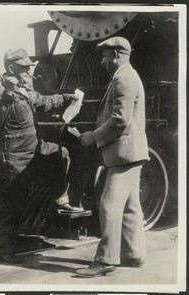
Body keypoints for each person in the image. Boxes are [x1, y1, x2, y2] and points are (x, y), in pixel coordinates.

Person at [0, 48, 83, 264]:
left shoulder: (23, 89)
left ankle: (60, 199)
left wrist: (66, 97)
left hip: (33, 147)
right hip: (13, 156)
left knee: (61, 153)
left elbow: (42, 101)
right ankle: (4, 251)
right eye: (24, 68)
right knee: (12, 204)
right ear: (11, 68)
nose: (29, 72)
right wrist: (7, 95)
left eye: (29, 67)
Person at [76, 37, 149, 278]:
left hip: (123, 154)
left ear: (116, 54)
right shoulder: (127, 75)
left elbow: (120, 119)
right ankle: (135, 254)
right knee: (130, 207)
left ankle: (106, 260)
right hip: (130, 152)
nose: (103, 60)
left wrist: (93, 136)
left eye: (105, 56)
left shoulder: (124, 78)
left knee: (108, 205)